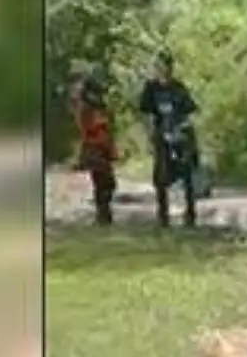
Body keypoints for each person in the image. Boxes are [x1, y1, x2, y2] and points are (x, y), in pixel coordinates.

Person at [136, 51, 203, 228]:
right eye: (157, 66)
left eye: (163, 66)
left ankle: (190, 213)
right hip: (161, 134)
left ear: (170, 68)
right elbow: (145, 113)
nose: (160, 70)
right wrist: (151, 134)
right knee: (161, 176)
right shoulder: (151, 89)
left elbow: (190, 111)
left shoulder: (178, 88)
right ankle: (162, 215)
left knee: (186, 173)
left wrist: (184, 130)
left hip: (179, 134)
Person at [71, 69, 121, 225]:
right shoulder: (86, 108)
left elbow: (108, 127)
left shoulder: (100, 107)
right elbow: (87, 127)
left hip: (103, 147)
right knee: (102, 182)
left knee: (107, 183)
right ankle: (103, 215)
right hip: (94, 147)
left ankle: (104, 214)